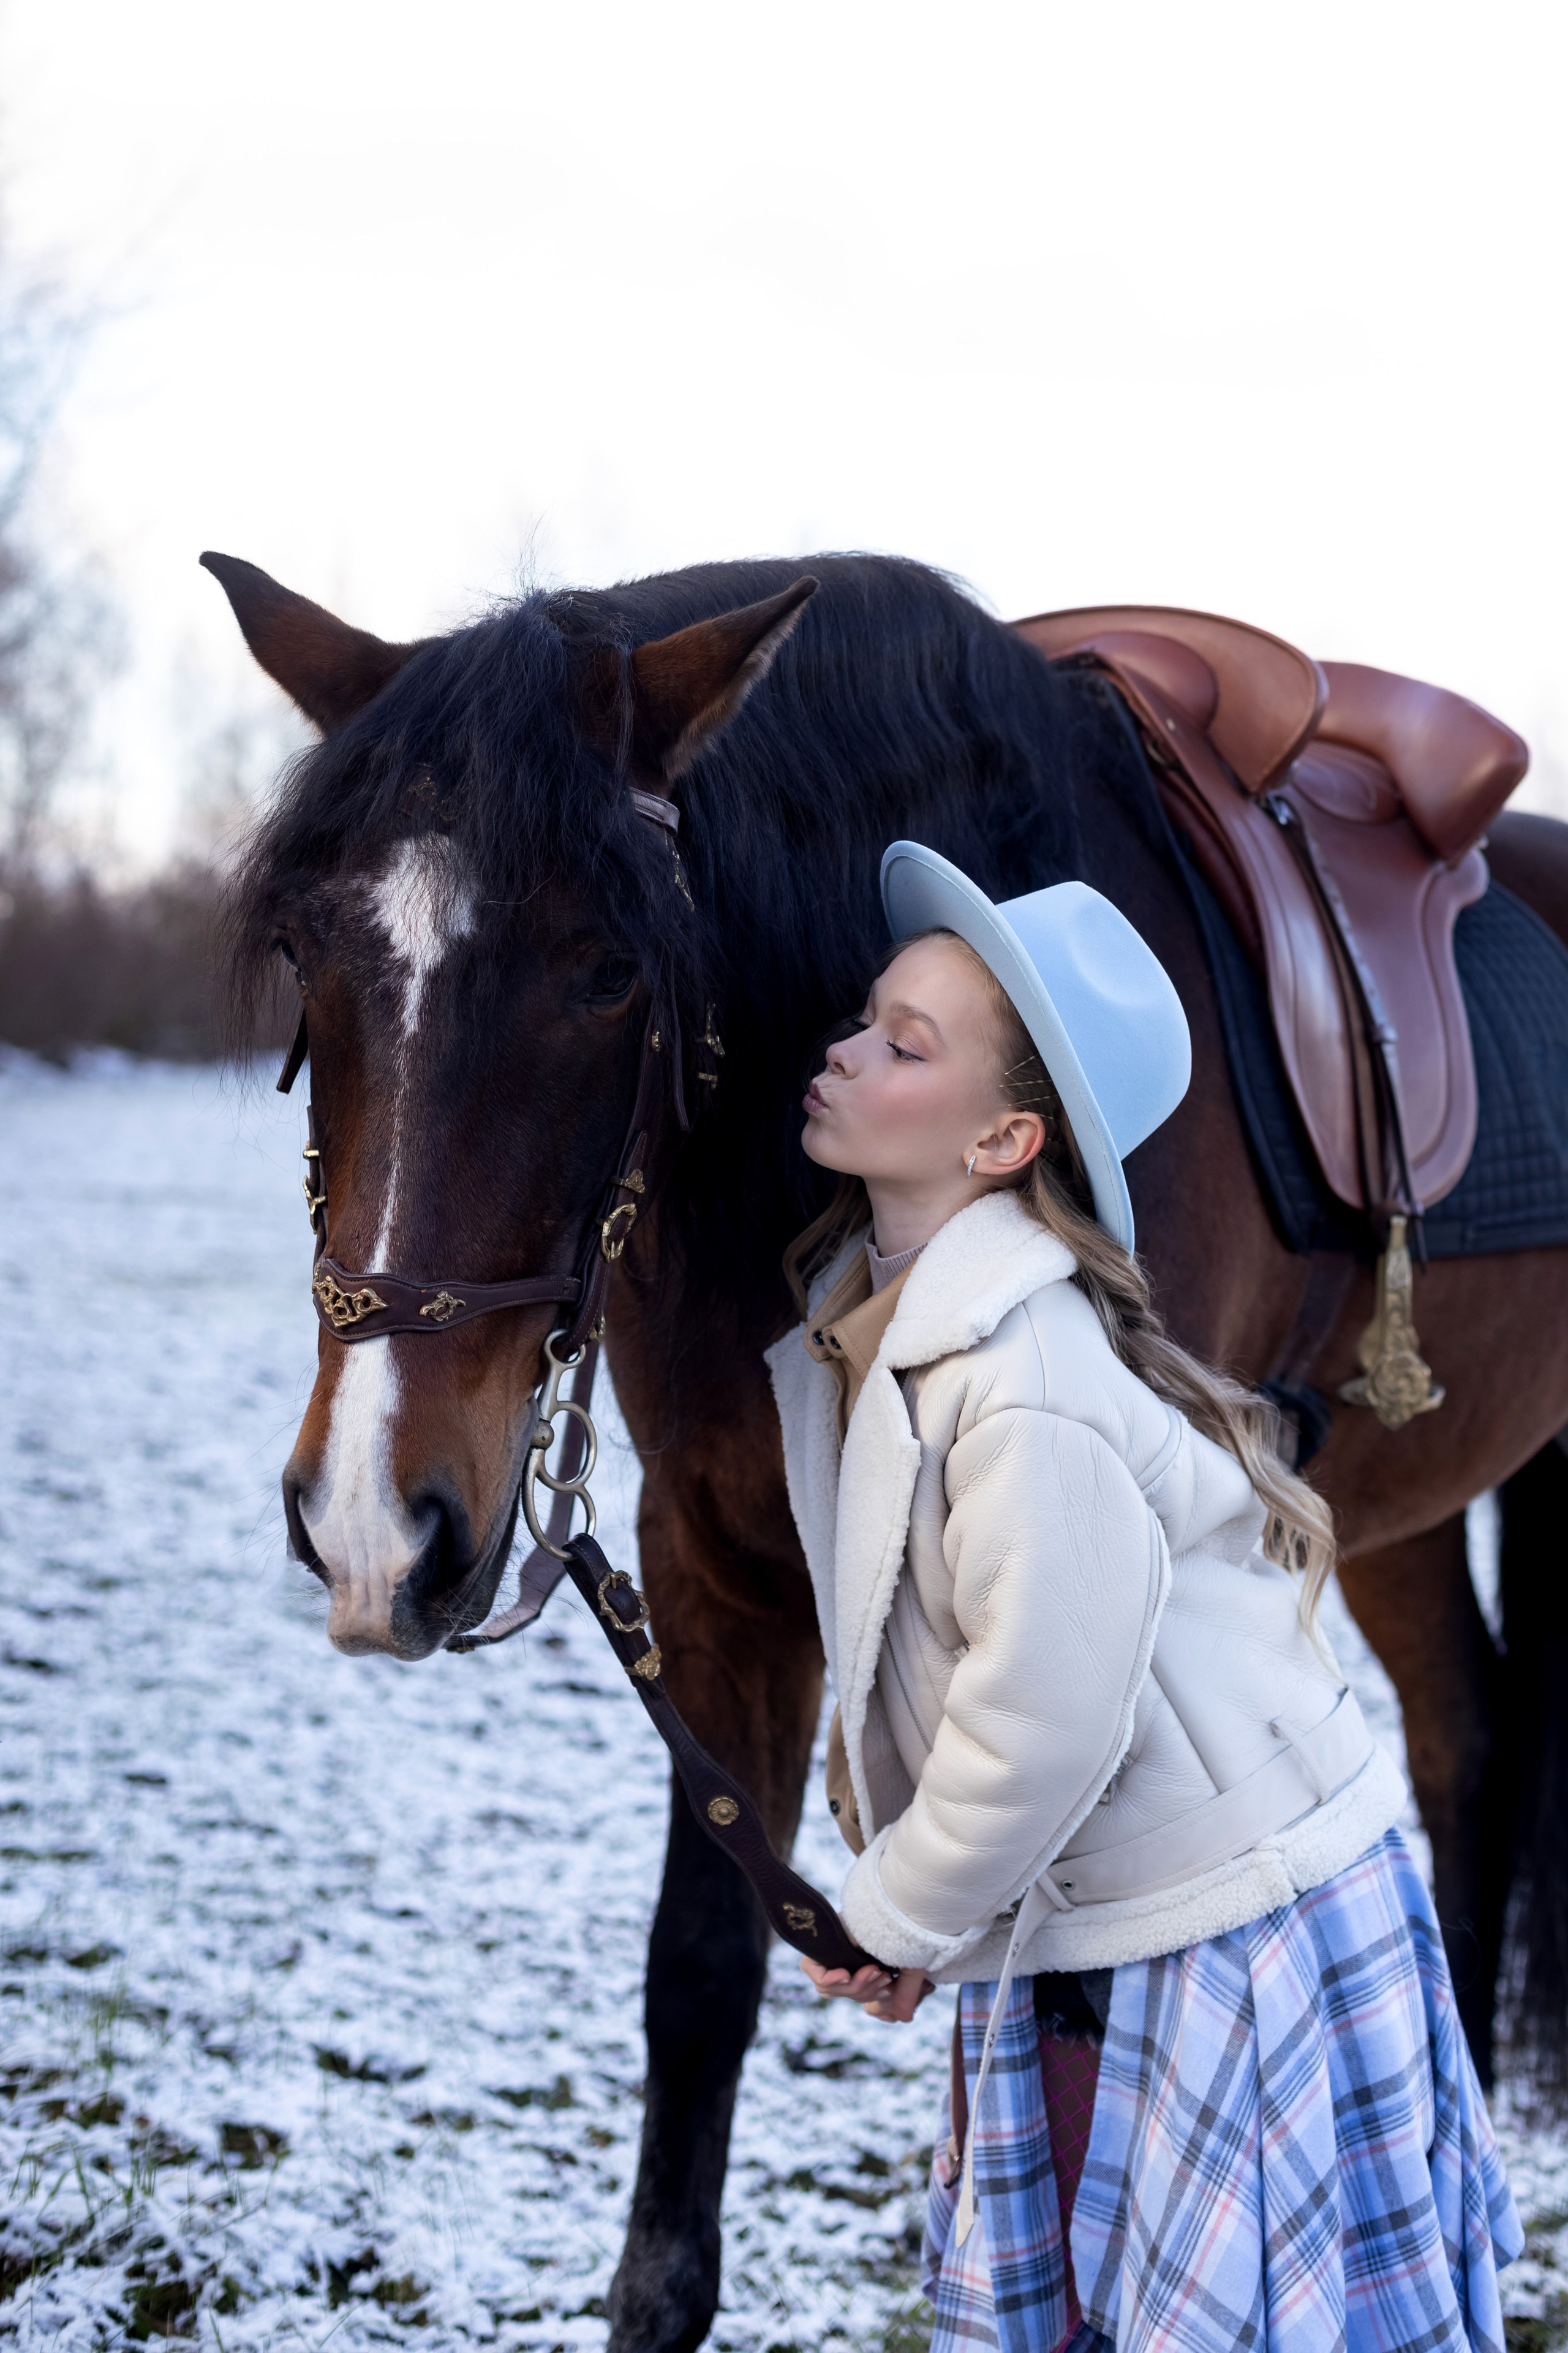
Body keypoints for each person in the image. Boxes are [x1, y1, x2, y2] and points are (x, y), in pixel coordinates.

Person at [764, 842, 1521, 2353]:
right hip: (1099, 1908)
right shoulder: (891, 1323)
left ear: (1000, 1142)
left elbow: (1038, 1720)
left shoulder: (1020, 1377)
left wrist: (902, 1912)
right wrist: (930, 1907)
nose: (844, 1050)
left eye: (904, 1045)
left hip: (1225, 1935)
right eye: (865, 1017)